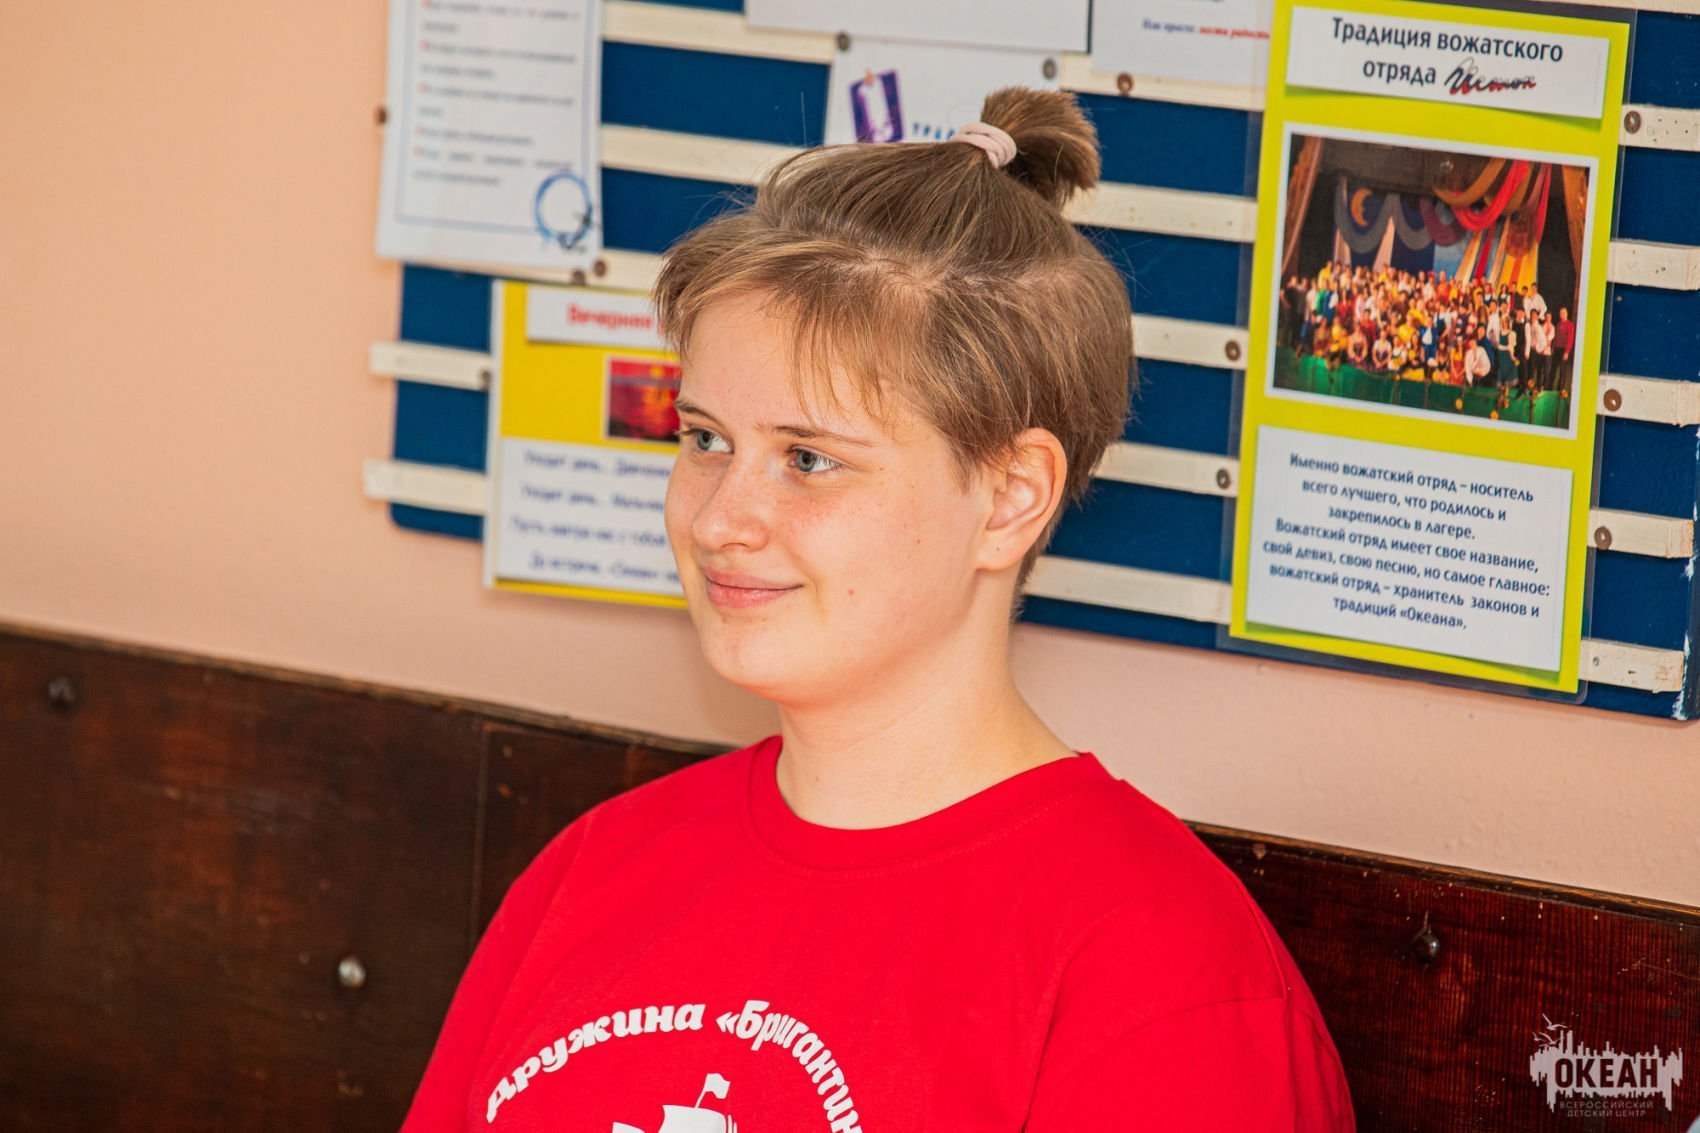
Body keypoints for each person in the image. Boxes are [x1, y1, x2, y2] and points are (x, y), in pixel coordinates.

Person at [396, 89, 1354, 1131]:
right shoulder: (592, 871)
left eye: (809, 459)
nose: (719, 519)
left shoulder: (1160, 972)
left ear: (1008, 497)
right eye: (705, 438)